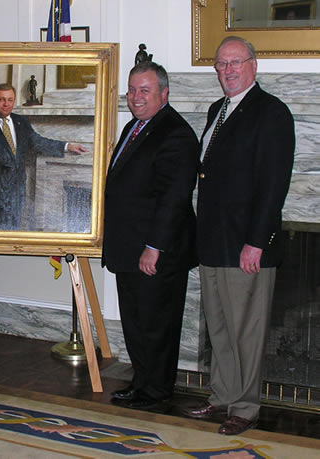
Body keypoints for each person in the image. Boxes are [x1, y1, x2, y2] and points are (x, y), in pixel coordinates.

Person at [183, 36, 295, 435]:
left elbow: (273, 184)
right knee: (220, 327)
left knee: (246, 330)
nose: (226, 70)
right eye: (220, 64)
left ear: (253, 65)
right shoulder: (218, 109)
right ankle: (222, 395)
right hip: (213, 241)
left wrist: (257, 240)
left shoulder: (272, 113)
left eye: (234, 63)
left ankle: (245, 408)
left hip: (247, 243)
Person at [102, 61, 199, 409]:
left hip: (155, 252)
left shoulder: (176, 134)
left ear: (164, 93)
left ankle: (157, 391)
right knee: (137, 324)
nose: (135, 97)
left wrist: (153, 248)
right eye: (131, 90)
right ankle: (142, 383)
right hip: (128, 248)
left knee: (157, 326)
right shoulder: (136, 127)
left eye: (144, 90)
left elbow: (173, 199)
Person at [0, 83, 87, 230]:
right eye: (1, 99)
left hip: (16, 195)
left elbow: (38, 142)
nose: (6, 104)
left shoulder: (21, 122)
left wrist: (67, 146)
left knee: (12, 235)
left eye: (10, 100)